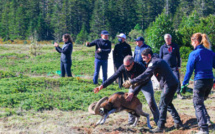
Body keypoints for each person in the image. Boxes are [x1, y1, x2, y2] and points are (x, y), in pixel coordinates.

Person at [124, 48, 183, 133]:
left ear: (149, 56)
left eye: (144, 58)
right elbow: (148, 76)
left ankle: (160, 127)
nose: (143, 60)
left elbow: (145, 73)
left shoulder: (154, 62)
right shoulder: (155, 61)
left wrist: (131, 81)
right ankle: (178, 123)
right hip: (172, 83)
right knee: (168, 104)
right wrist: (136, 83)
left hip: (169, 84)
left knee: (162, 104)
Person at [94, 55, 160, 125]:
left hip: (145, 83)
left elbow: (143, 80)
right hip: (133, 83)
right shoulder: (124, 67)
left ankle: (158, 121)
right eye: (125, 66)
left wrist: (133, 93)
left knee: (151, 102)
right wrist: (102, 85)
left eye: (128, 66)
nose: (126, 68)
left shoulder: (140, 67)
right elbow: (114, 76)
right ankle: (131, 121)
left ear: (133, 63)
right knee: (128, 99)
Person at [181, 33, 214, 134]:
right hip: (209, 82)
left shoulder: (194, 54)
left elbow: (189, 71)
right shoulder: (211, 53)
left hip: (200, 81)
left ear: (195, 41)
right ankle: (207, 120)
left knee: (197, 104)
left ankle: (203, 129)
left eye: (192, 42)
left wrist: (184, 84)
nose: (192, 44)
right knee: (200, 102)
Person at [159, 34, 183, 99]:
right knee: (164, 80)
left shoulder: (175, 46)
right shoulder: (162, 47)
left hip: (174, 66)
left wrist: (179, 66)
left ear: (171, 38)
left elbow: (178, 56)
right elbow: (160, 57)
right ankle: (165, 93)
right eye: (166, 38)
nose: (167, 39)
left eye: (169, 38)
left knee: (177, 79)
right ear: (164, 39)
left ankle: (178, 93)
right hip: (165, 67)